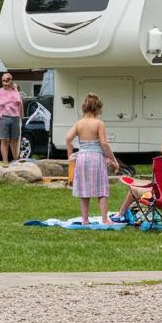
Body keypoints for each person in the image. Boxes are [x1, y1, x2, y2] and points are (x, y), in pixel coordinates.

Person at [66, 93, 118, 226]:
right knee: (102, 190)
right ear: (97, 109)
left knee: (84, 191)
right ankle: (105, 219)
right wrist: (113, 160)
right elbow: (104, 144)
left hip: (82, 157)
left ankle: (85, 220)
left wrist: (70, 155)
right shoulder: (99, 123)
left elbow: (68, 139)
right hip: (96, 158)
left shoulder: (79, 123)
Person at [111, 133, 162, 223]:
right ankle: (147, 214)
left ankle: (120, 214)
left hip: (161, 197)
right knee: (146, 183)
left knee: (133, 189)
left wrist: (136, 184)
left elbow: (156, 185)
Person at [0, 72, 24, 165]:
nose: (5, 82)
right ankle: (5, 161)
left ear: (11, 80)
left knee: (15, 140)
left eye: (7, 79)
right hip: (3, 117)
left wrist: (22, 117)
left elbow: (20, 104)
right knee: (4, 140)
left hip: (15, 117)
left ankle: (16, 159)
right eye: (3, 80)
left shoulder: (15, 91)